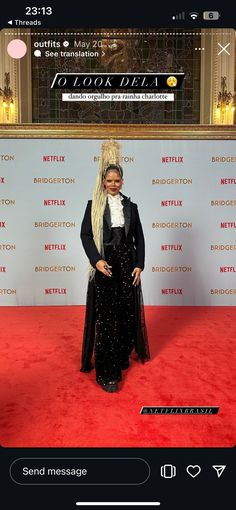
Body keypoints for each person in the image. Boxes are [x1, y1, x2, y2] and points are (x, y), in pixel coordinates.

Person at [80, 140, 150, 392]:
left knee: (125, 312)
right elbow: (86, 235)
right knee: (107, 317)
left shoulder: (132, 207)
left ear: (122, 181)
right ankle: (107, 373)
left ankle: (121, 356)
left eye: (117, 180)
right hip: (105, 264)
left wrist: (140, 265)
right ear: (103, 182)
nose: (113, 184)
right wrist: (96, 260)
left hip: (127, 263)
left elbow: (139, 238)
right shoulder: (94, 206)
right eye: (109, 180)